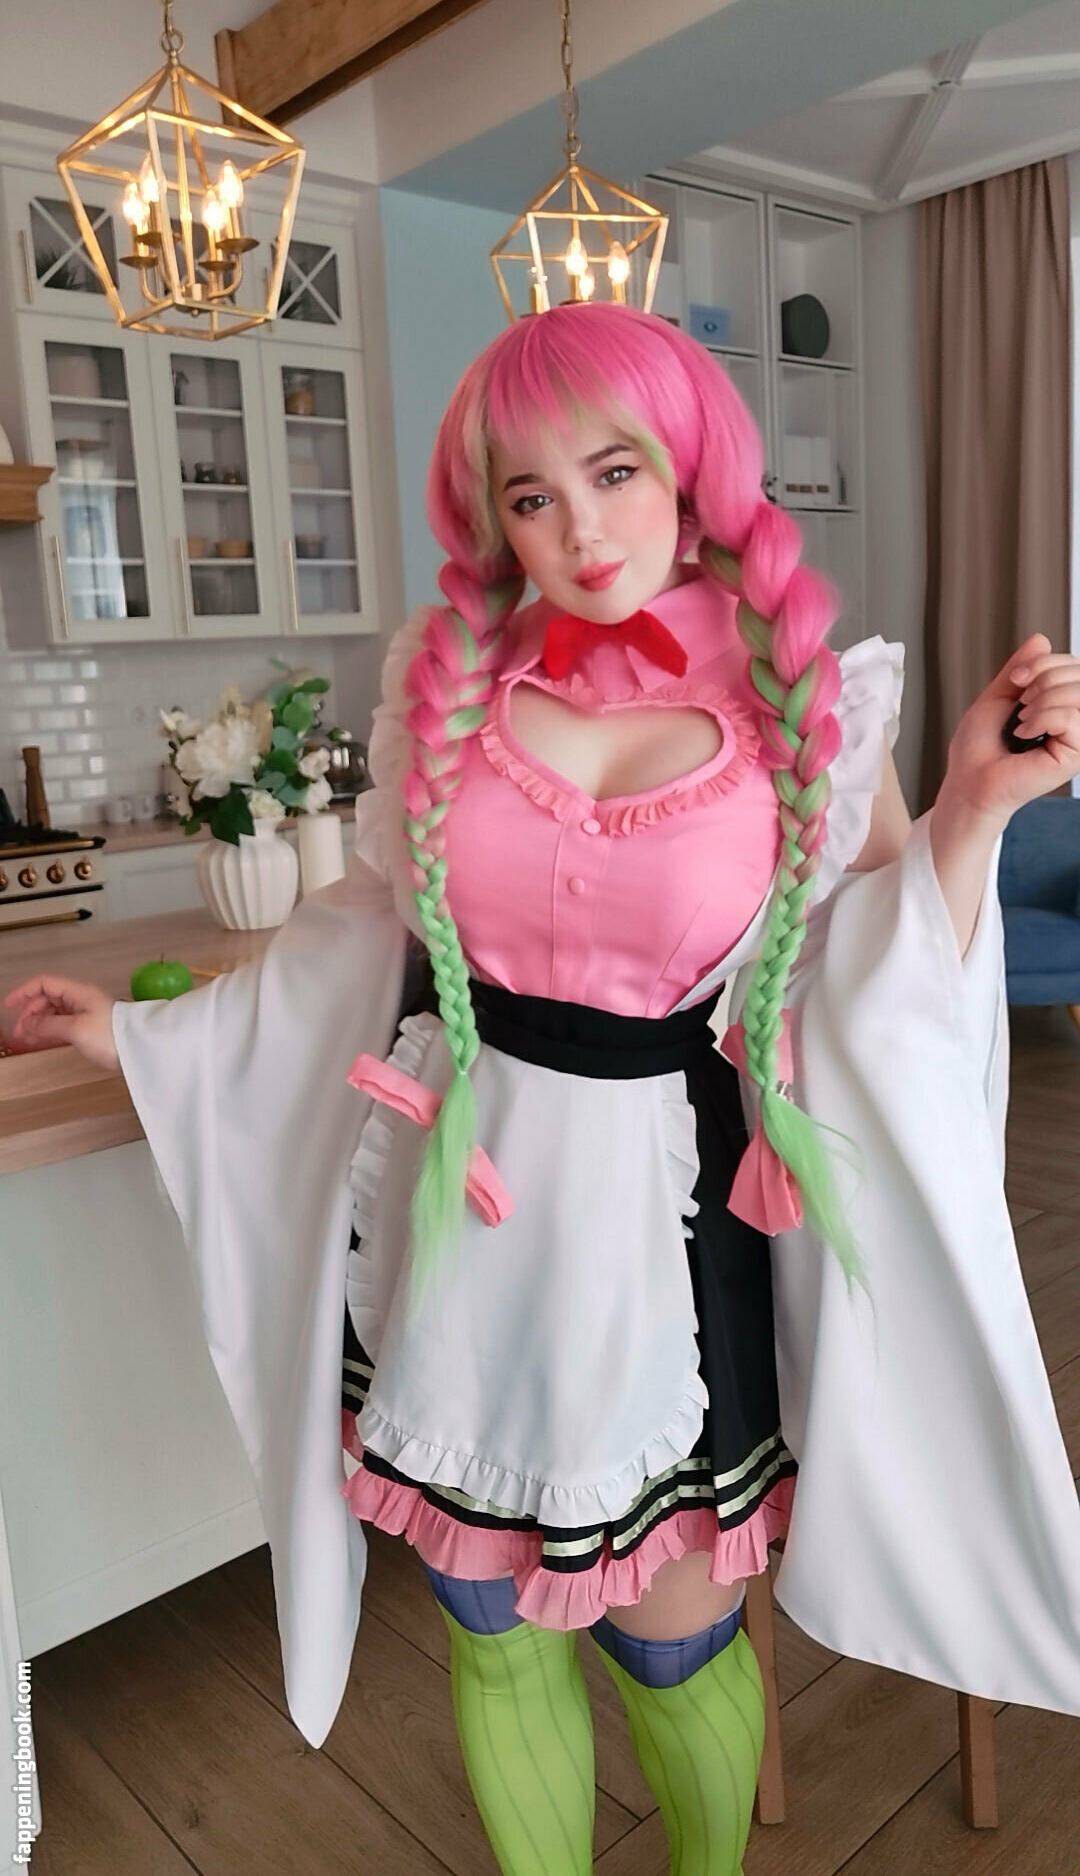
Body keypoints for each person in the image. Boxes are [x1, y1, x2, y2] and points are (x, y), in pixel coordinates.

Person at [7, 302, 1080, 1876]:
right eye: (531, 494)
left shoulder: (809, 702)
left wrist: (972, 815)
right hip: (463, 1219)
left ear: (690, 469)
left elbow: (873, 968)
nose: (579, 529)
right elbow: (354, 934)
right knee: (491, 1628)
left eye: (615, 471)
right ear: (493, 518)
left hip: (676, 1238)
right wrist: (147, 1037)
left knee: (673, 1646)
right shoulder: (444, 690)